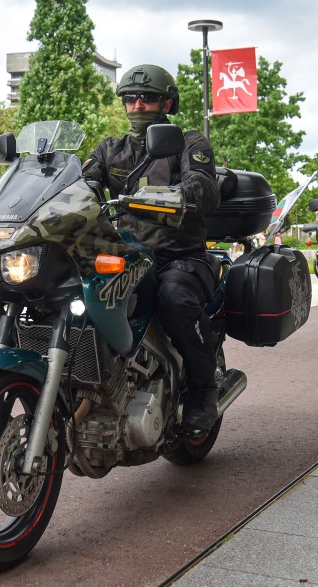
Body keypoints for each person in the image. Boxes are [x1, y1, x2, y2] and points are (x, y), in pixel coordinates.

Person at [82, 64, 221, 432]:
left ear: (167, 104)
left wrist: (183, 194)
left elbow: (205, 185)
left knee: (174, 297)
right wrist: (80, 191)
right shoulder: (110, 149)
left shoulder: (189, 142)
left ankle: (204, 390)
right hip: (130, 256)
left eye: (147, 98)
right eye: (130, 98)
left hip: (180, 257)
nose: (138, 105)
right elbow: (84, 181)